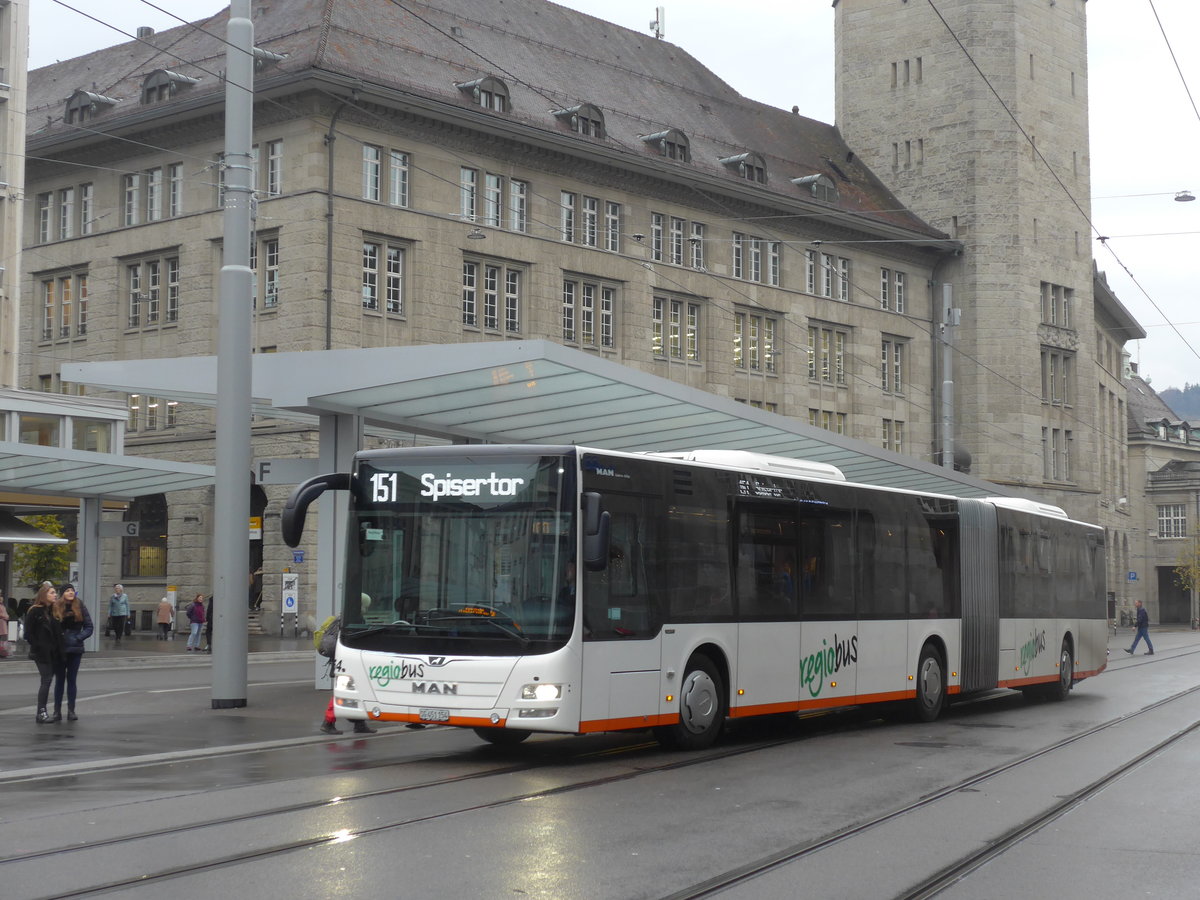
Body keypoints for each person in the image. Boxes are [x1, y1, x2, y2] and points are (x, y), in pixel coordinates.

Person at [53, 583, 93, 722]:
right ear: (62, 593)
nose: (71, 592)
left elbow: (89, 626)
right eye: (67, 590)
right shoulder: (56, 606)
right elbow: (52, 626)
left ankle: (71, 710)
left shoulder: (79, 605)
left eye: (72, 590)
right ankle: (57, 711)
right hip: (60, 648)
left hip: (75, 648)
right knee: (59, 680)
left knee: (72, 680)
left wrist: (78, 637)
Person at [25, 583, 64, 724]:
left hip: (52, 652)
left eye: (55, 593)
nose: (55, 595)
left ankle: (41, 712)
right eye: (52, 593)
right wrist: (38, 646)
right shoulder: (35, 611)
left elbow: (57, 634)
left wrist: (60, 651)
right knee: (46, 680)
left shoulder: (53, 611)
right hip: (41, 653)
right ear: (44, 595)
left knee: (47, 680)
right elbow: (28, 634)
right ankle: (41, 712)